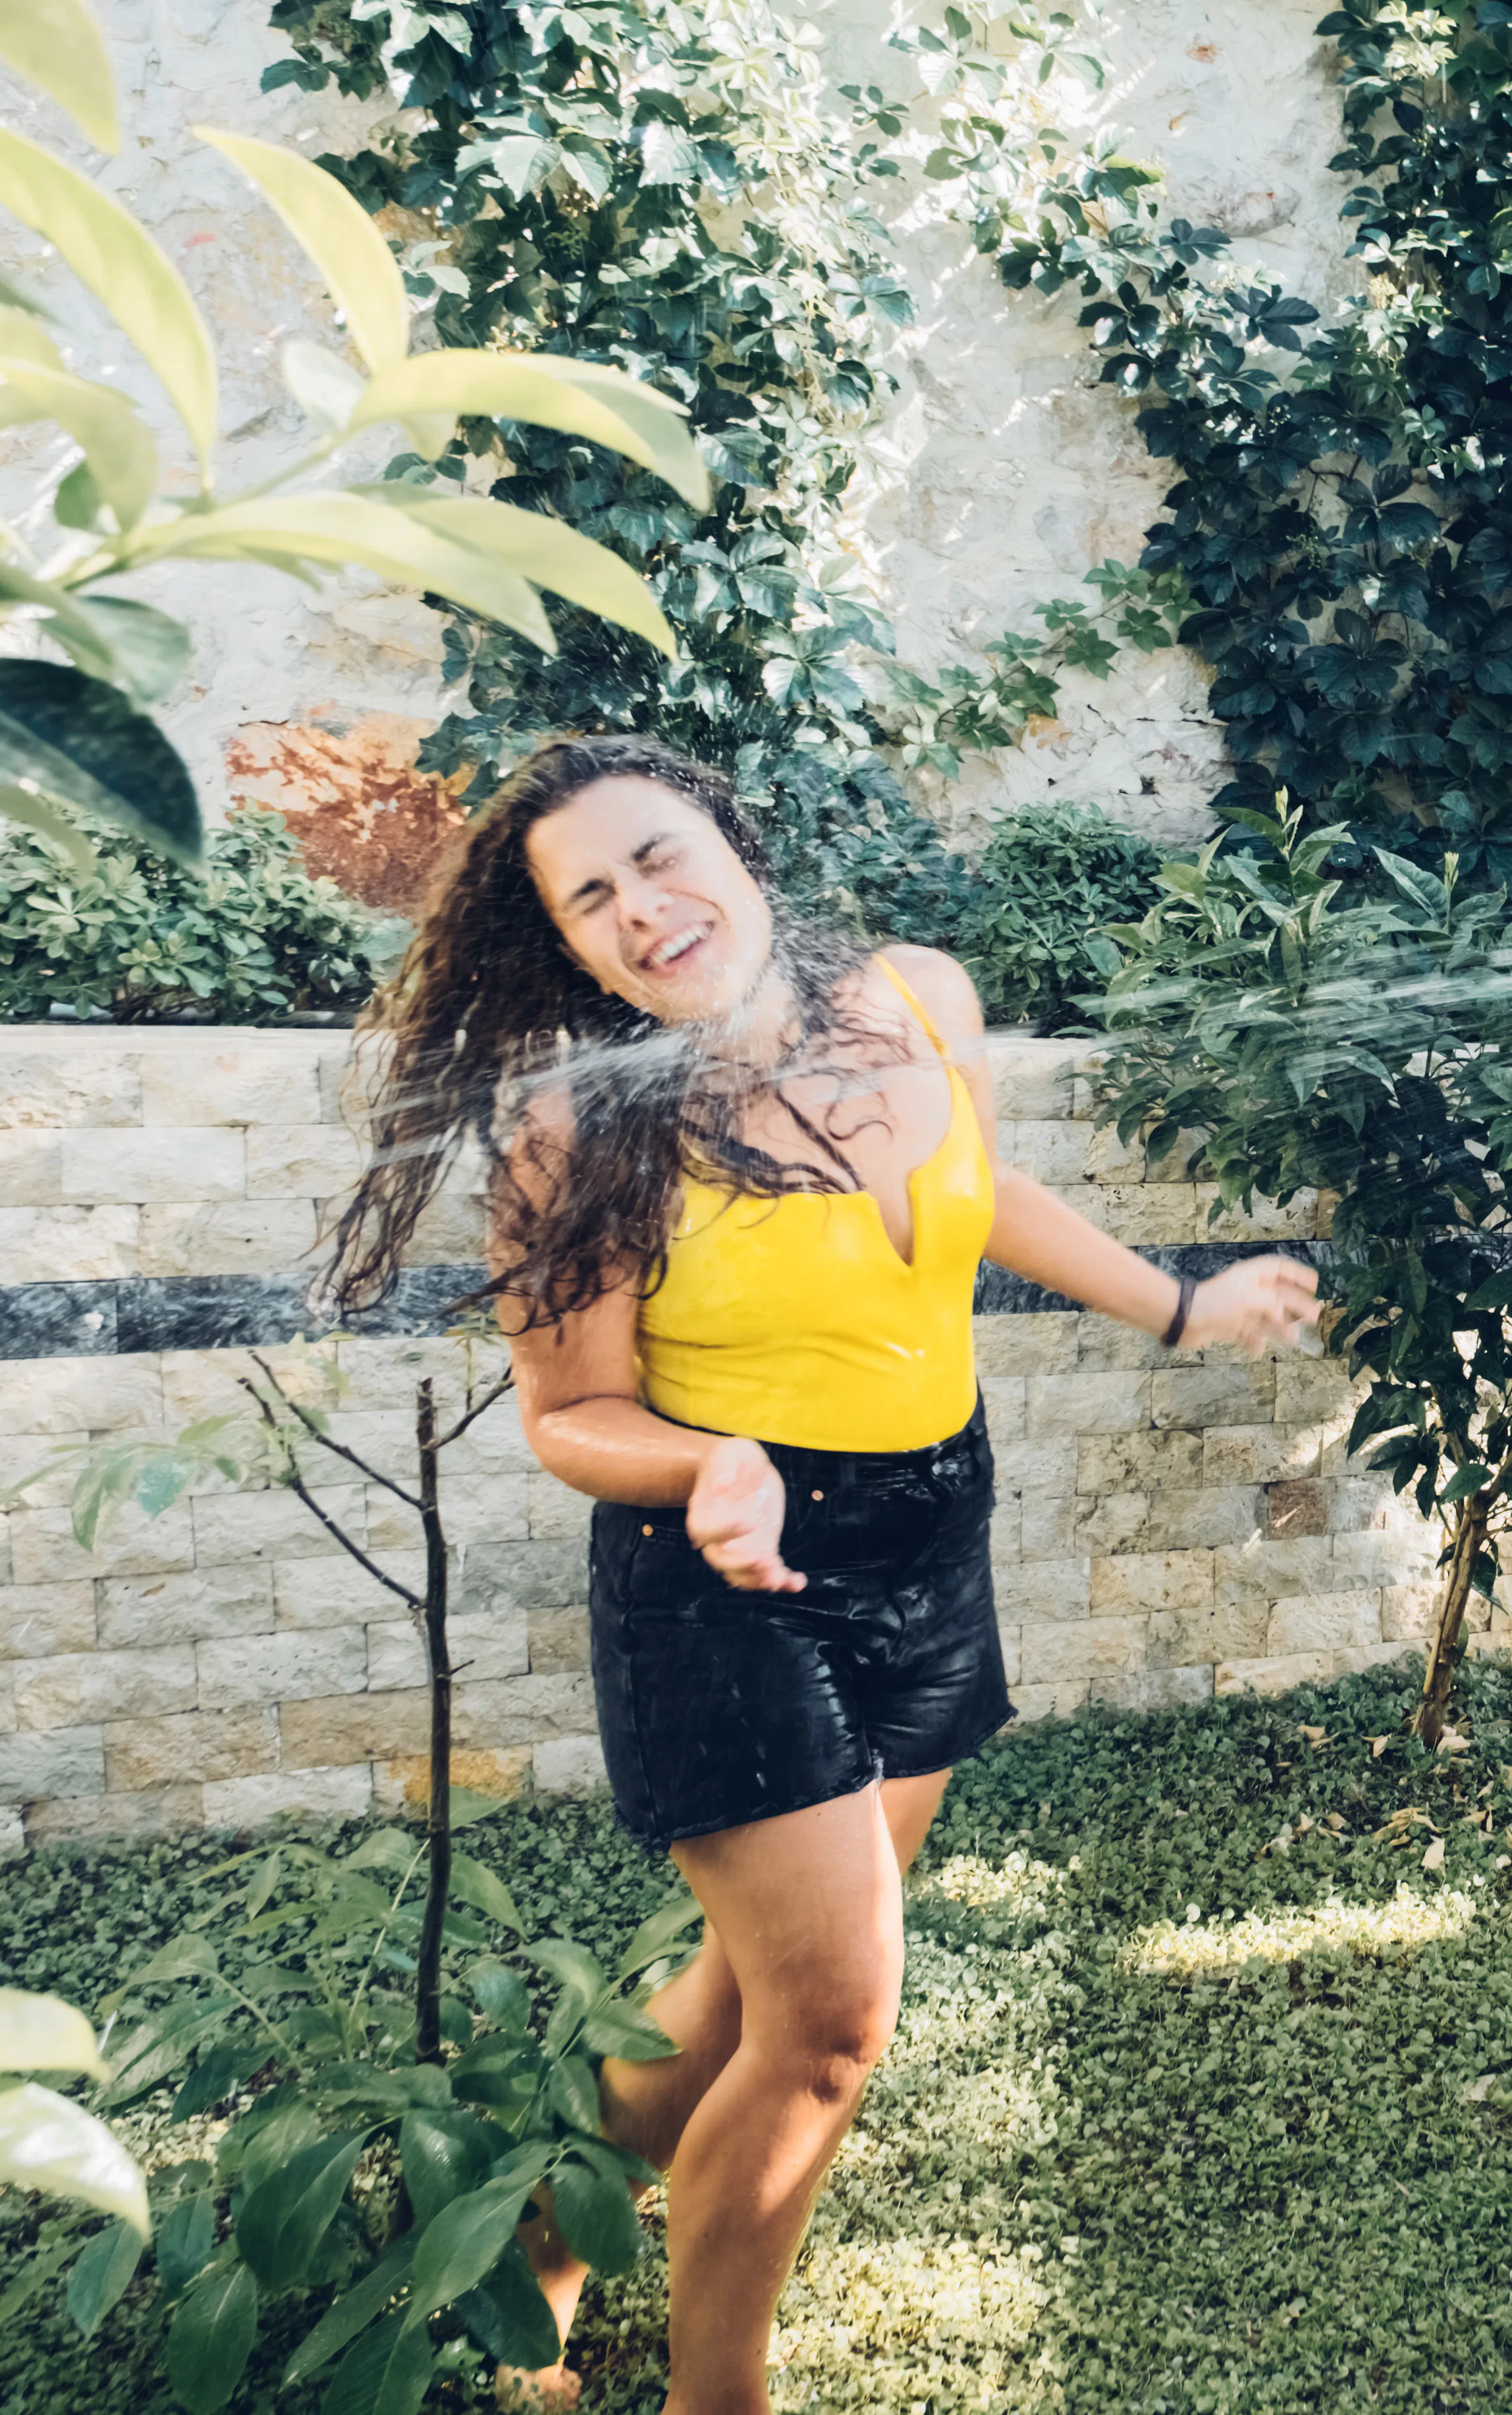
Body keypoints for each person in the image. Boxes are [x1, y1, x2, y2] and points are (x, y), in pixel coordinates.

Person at [319, 736, 1319, 2414]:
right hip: (724, 1578)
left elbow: (976, 1191)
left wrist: (1174, 1300)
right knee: (835, 2031)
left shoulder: (922, 996)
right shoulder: (578, 1128)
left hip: (931, 1534)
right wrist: (705, 1467)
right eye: (591, 899)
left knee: (741, 2001)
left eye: (656, 857)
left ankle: (529, 2269)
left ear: (729, 835)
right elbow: (572, 1413)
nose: (641, 911)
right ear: (566, 946)